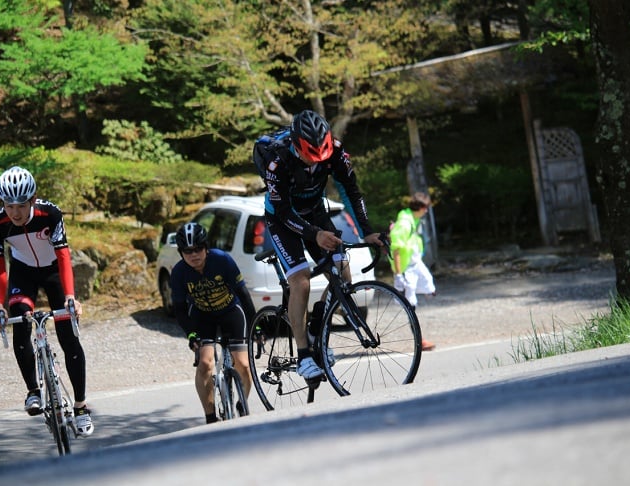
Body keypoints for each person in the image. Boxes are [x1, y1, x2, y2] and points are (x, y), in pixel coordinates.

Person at [260, 109, 384, 381]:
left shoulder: (336, 152)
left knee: (341, 267)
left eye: (321, 154)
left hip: (314, 211)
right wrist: (314, 235)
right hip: (283, 219)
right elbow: (282, 212)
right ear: (296, 145)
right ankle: (304, 355)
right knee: (301, 279)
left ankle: (318, 328)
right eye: (309, 154)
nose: (316, 159)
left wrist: (368, 232)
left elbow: (351, 191)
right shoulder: (277, 161)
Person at [0, 166, 93, 436]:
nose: (15, 212)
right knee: (20, 318)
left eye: (21, 205)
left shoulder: (50, 214)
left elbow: (65, 255)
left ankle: (80, 406)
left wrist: (71, 296)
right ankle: (33, 390)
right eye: (9, 205)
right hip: (24, 273)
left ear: (33, 200)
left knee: (69, 337)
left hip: (54, 271)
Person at [170, 222, 256, 424]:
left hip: (230, 311)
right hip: (202, 316)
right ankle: (210, 417)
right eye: (187, 251)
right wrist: (190, 334)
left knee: (243, 364)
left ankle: (242, 403)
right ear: (181, 253)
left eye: (198, 249)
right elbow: (180, 310)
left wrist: (256, 325)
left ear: (206, 247)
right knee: (205, 363)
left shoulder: (222, 260)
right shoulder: (179, 273)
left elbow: (243, 294)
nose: (194, 255)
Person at [390, 192, 436, 351]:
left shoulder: (413, 220)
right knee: (411, 306)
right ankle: (419, 341)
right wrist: (397, 274)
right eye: (426, 208)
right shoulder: (405, 224)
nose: (427, 211)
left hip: (414, 265)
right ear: (422, 208)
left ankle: (420, 340)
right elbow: (395, 249)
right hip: (405, 270)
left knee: (426, 289)